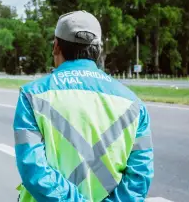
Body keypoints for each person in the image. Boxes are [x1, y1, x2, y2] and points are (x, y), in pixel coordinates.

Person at [13, 10, 154, 202]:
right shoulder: (134, 105)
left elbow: (33, 169)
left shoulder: (32, 95)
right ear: (98, 51)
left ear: (56, 46)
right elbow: (139, 177)